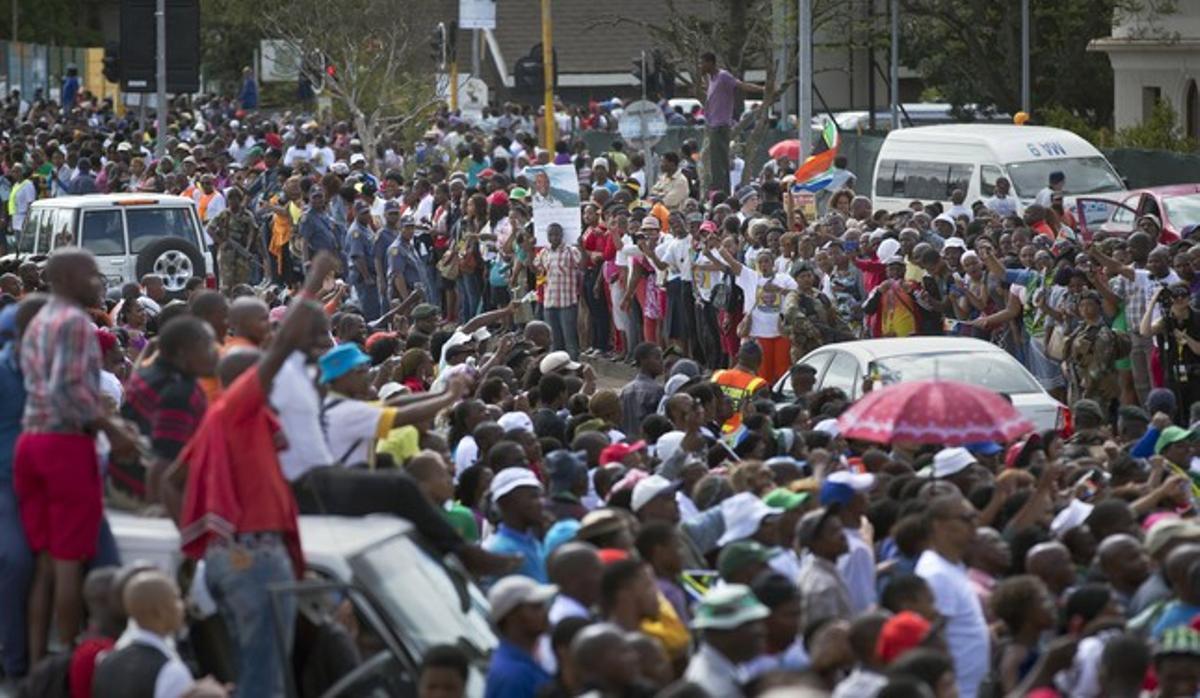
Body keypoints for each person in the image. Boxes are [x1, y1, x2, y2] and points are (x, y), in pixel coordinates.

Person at [15, 249, 139, 665]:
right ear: (67, 277)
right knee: (69, 564)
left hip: (31, 441)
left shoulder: (38, 321)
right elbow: (67, 392)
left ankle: (38, 668)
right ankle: (69, 667)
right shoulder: (74, 324)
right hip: (64, 445)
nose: (98, 280)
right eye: (90, 272)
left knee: (47, 565)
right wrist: (111, 428)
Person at [91, 569, 224, 698]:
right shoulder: (171, 673)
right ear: (159, 612)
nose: (183, 605)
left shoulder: (105, 662)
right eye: (176, 598)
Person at [916, 495, 989, 698]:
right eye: (966, 519)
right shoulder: (936, 574)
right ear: (938, 525)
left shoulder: (952, 565)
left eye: (975, 517)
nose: (975, 524)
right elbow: (933, 638)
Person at [685, 584, 770, 698]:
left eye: (759, 622)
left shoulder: (729, 666)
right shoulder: (712, 688)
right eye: (749, 624)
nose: (761, 631)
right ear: (717, 633)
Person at [698, 52, 763, 198]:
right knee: (716, 162)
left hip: (721, 126)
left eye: (702, 63)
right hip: (713, 125)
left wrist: (763, 90)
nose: (700, 66)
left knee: (719, 163)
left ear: (710, 63)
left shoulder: (723, 76)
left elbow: (741, 85)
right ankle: (720, 192)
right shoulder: (712, 80)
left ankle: (723, 193)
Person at [485, 575, 556, 698]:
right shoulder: (513, 675)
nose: (545, 612)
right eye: (536, 607)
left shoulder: (524, 664)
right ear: (511, 616)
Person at [535, 223, 584, 359]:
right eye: (550, 235)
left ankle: (574, 372)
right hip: (549, 302)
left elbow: (582, 265)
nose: (554, 237)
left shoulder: (570, 250)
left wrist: (582, 248)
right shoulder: (544, 252)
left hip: (567, 302)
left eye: (556, 234)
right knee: (554, 342)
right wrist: (528, 250)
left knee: (570, 342)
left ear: (562, 235)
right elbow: (537, 270)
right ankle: (558, 371)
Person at [207, 187, 268, 293]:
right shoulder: (224, 214)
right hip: (227, 253)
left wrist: (248, 248)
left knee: (242, 284)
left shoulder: (247, 215)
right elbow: (210, 229)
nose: (232, 202)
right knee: (226, 284)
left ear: (240, 200)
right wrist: (221, 242)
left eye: (235, 199)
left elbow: (252, 232)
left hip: (242, 252)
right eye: (230, 199)